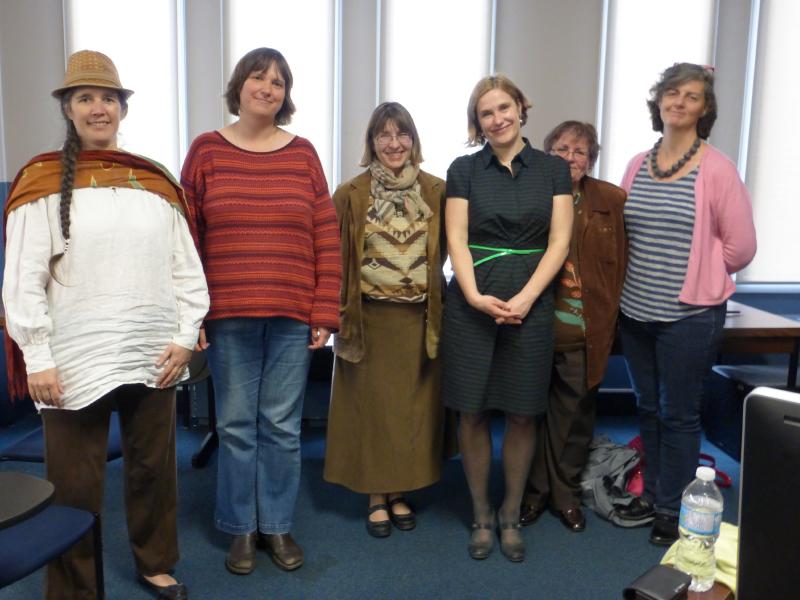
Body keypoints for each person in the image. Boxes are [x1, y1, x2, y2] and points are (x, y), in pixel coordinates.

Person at [2, 50, 209, 600]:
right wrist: (38, 356)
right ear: (68, 109)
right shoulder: (41, 182)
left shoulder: (155, 183)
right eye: (86, 98)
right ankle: (74, 588)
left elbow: (186, 269)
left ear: (122, 109)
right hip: (71, 358)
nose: (100, 108)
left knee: (152, 468)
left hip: (152, 351)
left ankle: (156, 561)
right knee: (74, 484)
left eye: (109, 99)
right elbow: (21, 279)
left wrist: (185, 336)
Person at [181, 47, 341, 575]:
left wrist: (323, 311)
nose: (267, 88)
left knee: (280, 426)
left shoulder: (304, 155)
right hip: (228, 314)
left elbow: (326, 235)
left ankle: (275, 523)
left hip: (293, 313)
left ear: (285, 95)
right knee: (235, 426)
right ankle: (239, 528)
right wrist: (194, 315)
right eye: (258, 77)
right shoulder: (205, 151)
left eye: (278, 82)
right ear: (239, 86)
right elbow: (188, 239)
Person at [613, 63, 756, 545]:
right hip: (635, 311)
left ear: (704, 109)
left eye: (692, 96)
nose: (679, 102)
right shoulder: (637, 163)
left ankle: (671, 507)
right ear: (658, 102)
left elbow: (742, 247)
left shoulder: (718, 169)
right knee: (649, 407)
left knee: (679, 413)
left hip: (688, 317)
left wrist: (707, 273)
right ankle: (652, 491)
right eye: (672, 93)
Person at [441, 75, 573, 562]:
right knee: (471, 411)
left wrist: (527, 297)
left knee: (522, 412)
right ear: (477, 123)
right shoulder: (464, 169)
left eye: (503, 108)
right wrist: (473, 296)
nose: (496, 119)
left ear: (521, 107)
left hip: (531, 305)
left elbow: (559, 241)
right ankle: (481, 513)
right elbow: (456, 238)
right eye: (485, 114)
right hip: (471, 307)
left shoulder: (553, 169)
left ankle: (511, 513)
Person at [323, 102, 448, 537]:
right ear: (371, 143)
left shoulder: (437, 191)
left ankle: (400, 491)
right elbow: (335, 259)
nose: (394, 144)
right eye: (384, 136)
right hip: (368, 320)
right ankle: (377, 495)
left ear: (414, 141)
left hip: (419, 320)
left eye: (402, 135)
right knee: (372, 411)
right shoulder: (352, 193)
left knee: (410, 409)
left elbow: (446, 254)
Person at [520, 121, 627, 533]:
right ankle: (531, 492)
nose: (570, 157)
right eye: (562, 149)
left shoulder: (610, 199)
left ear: (592, 159)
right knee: (529, 415)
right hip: (531, 324)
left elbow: (621, 263)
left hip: (585, 329)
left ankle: (559, 494)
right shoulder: (529, 194)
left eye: (580, 151)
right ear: (548, 154)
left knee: (574, 417)